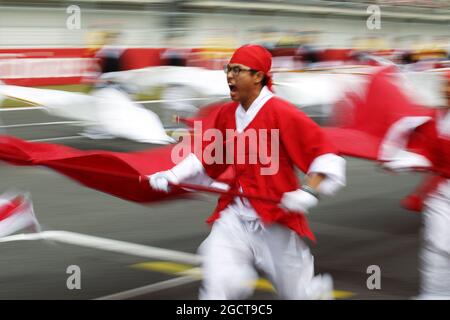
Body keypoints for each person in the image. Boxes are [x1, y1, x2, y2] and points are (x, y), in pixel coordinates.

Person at [148, 44, 346, 300]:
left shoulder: (282, 112)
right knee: (219, 286)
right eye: (228, 69)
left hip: (274, 217)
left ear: (258, 76)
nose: (229, 76)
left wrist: (308, 191)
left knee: (298, 295)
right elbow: (208, 154)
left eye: (237, 70)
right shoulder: (226, 113)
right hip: (234, 216)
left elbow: (324, 156)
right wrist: (173, 174)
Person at [380, 71, 450, 299]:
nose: (446, 91)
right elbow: (432, 155)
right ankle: (435, 294)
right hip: (442, 194)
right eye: (445, 87)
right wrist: (409, 160)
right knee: (438, 248)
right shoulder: (435, 119)